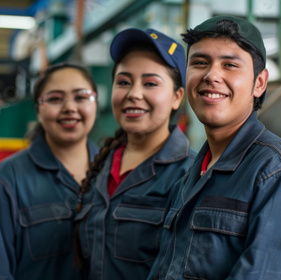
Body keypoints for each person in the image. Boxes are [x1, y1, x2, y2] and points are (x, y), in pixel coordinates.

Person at [149, 15, 281, 280]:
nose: (212, 75)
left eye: (230, 65)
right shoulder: (190, 178)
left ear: (259, 83)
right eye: (200, 63)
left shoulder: (278, 173)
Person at [75, 28, 196, 280]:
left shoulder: (191, 177)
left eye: (150, 83)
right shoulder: (100, 167)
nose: (134, 94)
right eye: (123, 82)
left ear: (177, 97)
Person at [0, 62, 99, 280]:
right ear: (37, 109)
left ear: (95, 103)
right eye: (55, 98)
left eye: (81, 97)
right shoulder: (2, 184)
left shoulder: (115, 175)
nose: (69, 107)